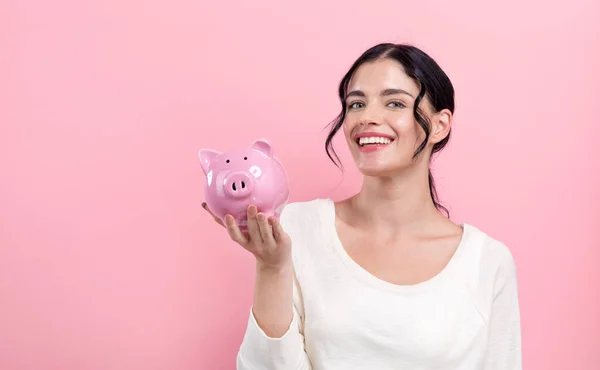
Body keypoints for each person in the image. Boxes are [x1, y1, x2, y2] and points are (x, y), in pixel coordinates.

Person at [202, 43, 522, 370]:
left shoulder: (487, 262)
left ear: (440, 125)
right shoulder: (296, 228)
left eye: (394, 102)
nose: (367, 117)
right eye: (356, 104)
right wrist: (271, 267)